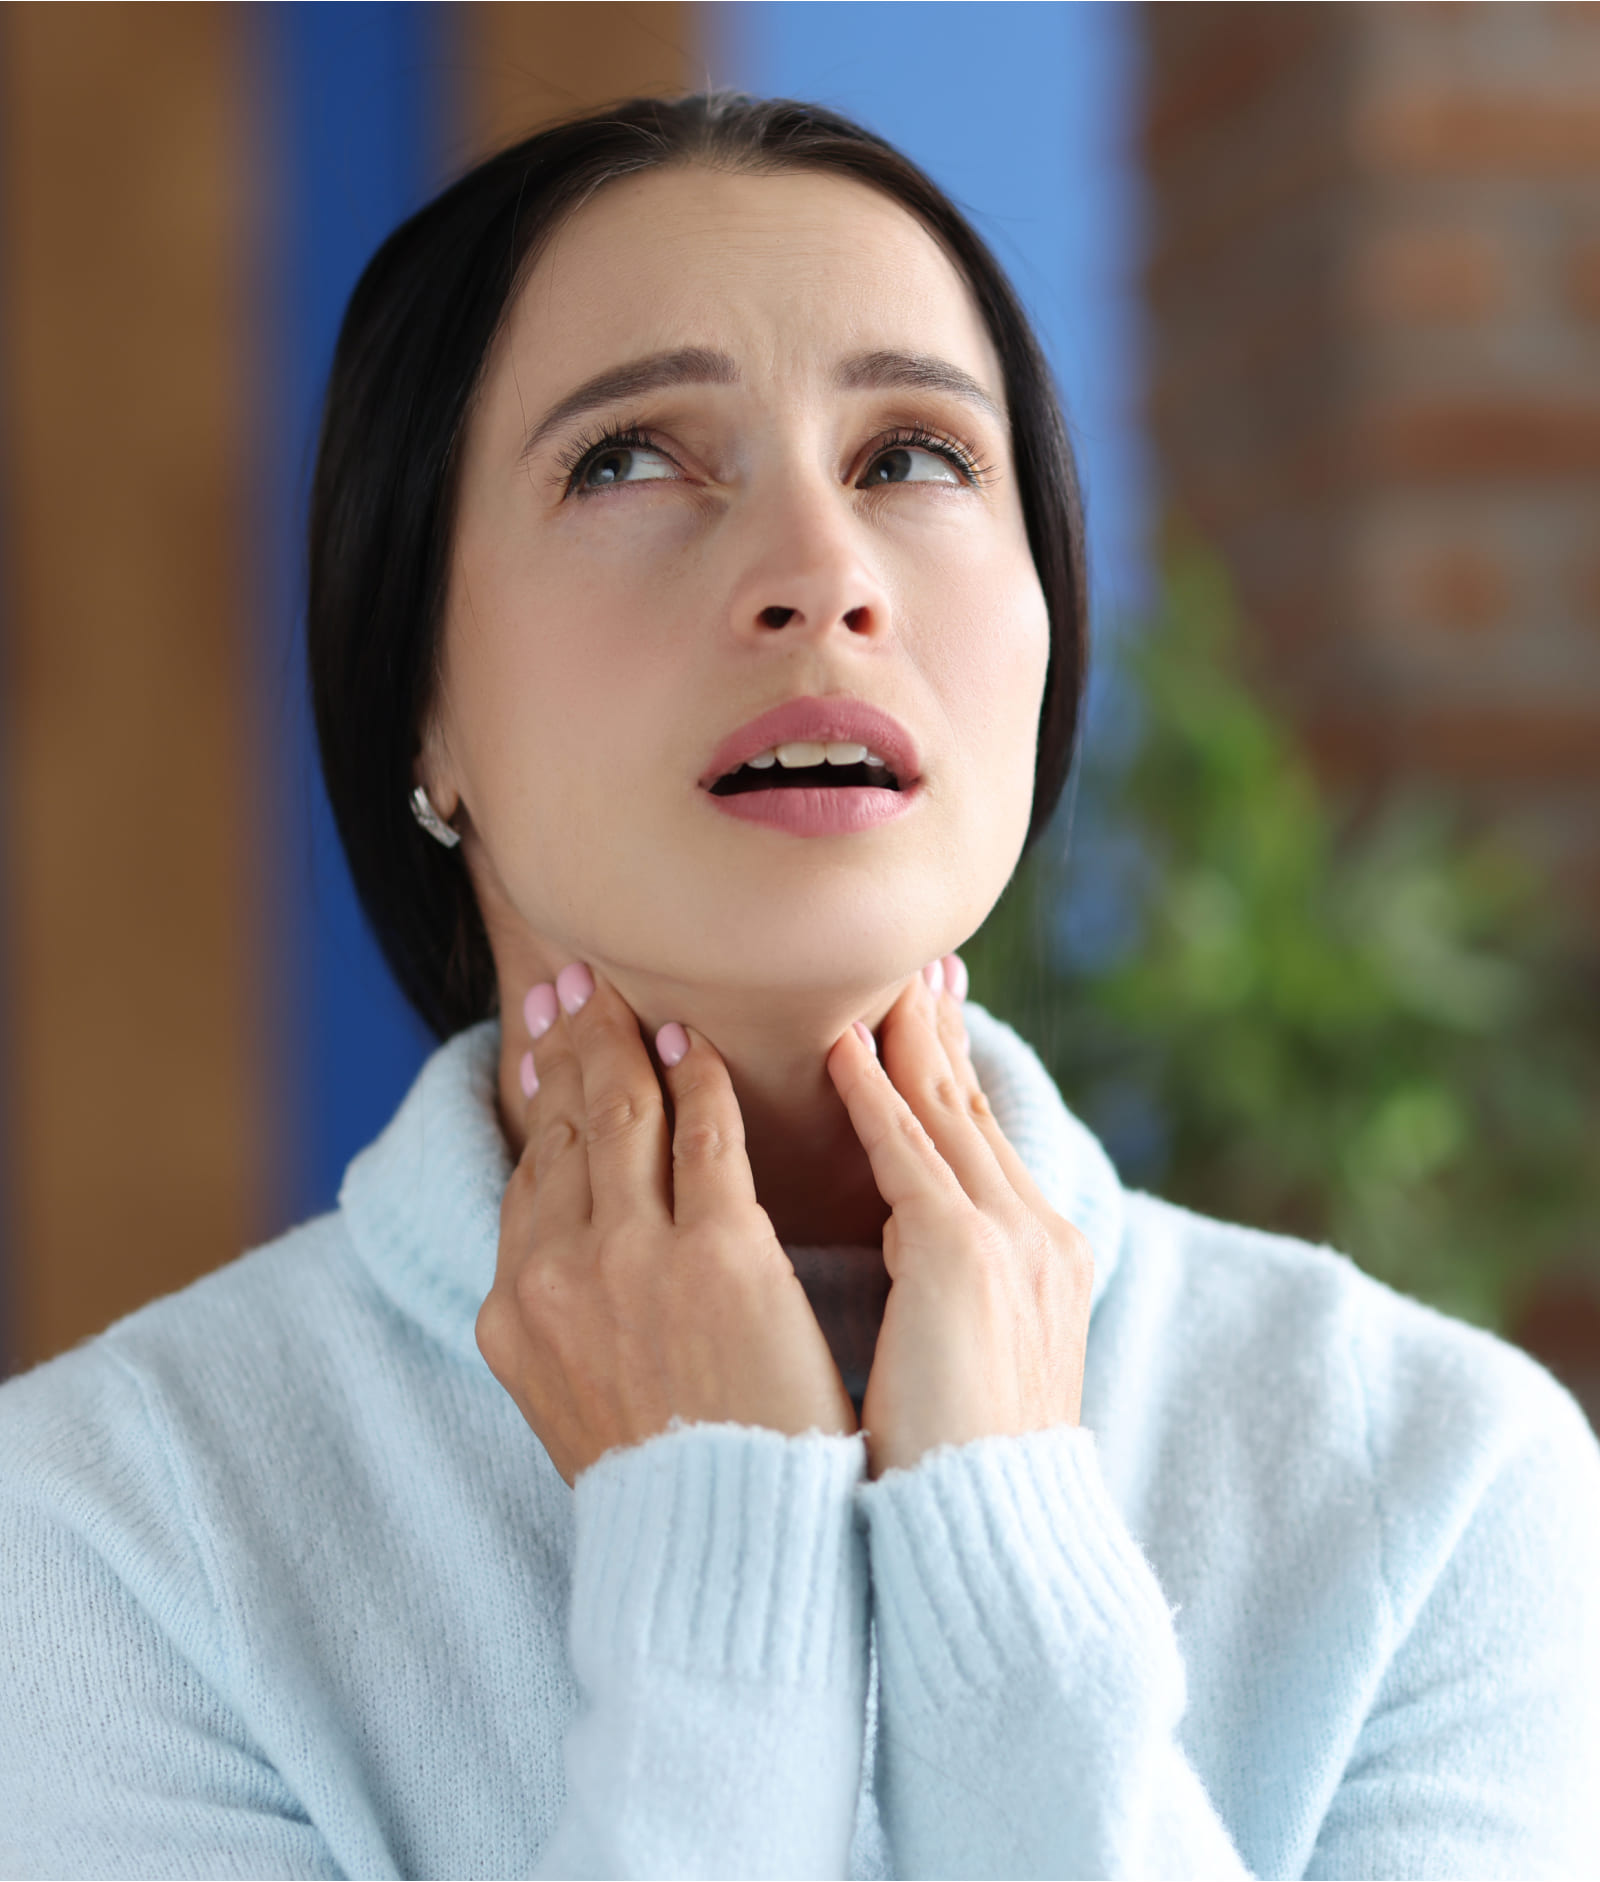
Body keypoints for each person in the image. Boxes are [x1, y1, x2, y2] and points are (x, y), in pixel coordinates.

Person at [2, 89, 1596, 1881]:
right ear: (418, 698)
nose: (824, 576)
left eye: (913, 456)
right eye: (628, 459)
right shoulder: (106, 1534)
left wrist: (1007, 1554)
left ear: (1047, 628)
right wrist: (717, 1547)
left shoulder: (1439, 1481)